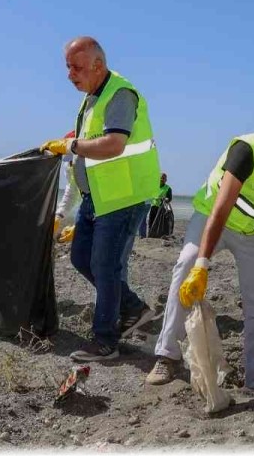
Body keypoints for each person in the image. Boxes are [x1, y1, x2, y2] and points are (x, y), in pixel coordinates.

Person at [146, 125, 254, 391]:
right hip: (214, 217)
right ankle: (167, 355)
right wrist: (203, 265)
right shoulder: (248, 150)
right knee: (186, 265)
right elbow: (221, 208)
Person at [40, 36, 162, 361]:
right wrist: (68, 141)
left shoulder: (119, 93)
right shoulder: (92, 97)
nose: (70, 74)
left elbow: (114, 144)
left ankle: (105, 341)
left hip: (124, 195)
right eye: (67, 67)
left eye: (76, 67)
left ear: (98, 65)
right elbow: (91, 137)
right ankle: (134, 309)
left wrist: (72, 147)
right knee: (81, 258)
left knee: (104, 265)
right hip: (97, 196)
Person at [53, 130, 80, 244]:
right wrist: (59, 215)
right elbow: (72, 192)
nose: (71, 163)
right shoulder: (69, 166)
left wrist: (79, 226)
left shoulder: (95, 165)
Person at [144, 173, 173, 238]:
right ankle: (150, 234)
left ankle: (159, 234)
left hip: (161, 208)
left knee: (160, 222)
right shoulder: (154, 186)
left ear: (166, 180)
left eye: (163, 178)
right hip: (153, 206)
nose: (162, 179)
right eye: (161, 178)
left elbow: (170, 198)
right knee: (151, 221)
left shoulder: (168, 188)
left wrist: (166, 199)